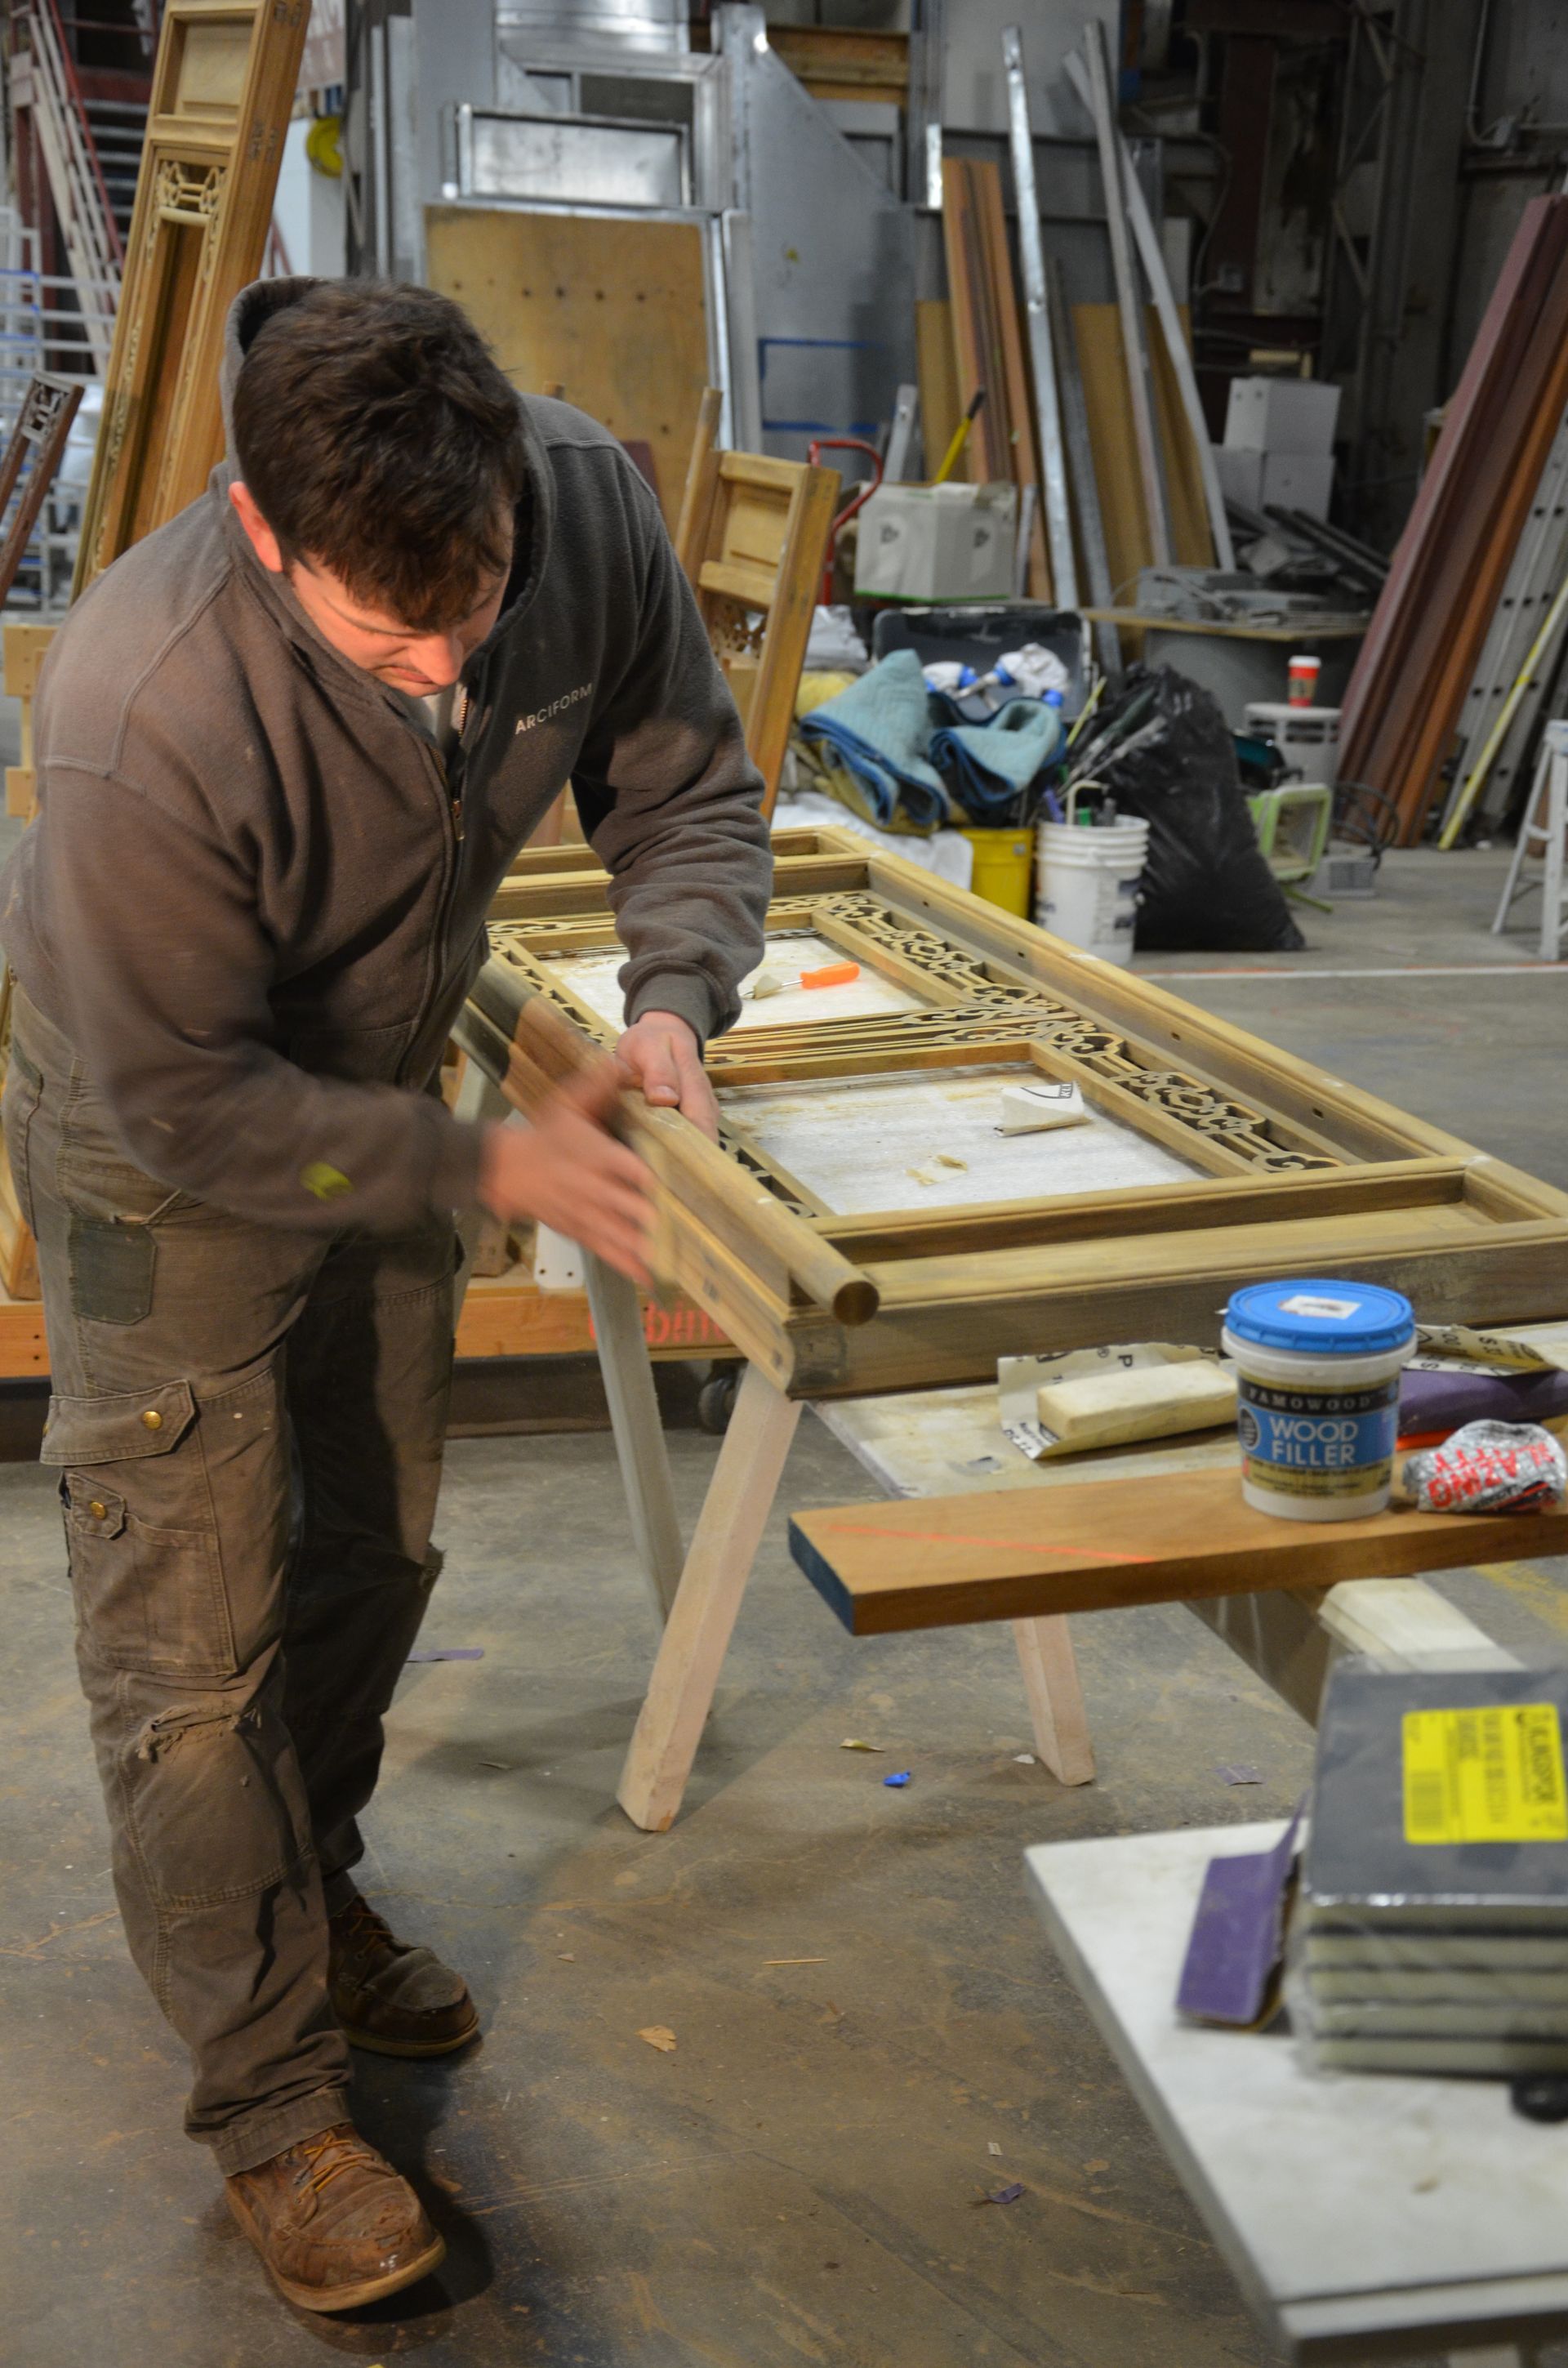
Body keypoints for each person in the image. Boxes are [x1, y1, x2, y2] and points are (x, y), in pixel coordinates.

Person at [0, 276, 769, 2314]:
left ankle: (307, 1885)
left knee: (378, 1537)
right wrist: (492, 1163)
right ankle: (271, 2108)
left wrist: (680, 994)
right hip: (157, 1140)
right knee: (194, 1630)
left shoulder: (579, 503)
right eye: (385, 640)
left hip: (382, 1082)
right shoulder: (143, 701)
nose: (444, 678)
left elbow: (685, 778)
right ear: (266, 535)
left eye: (477, 616)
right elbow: (184, 1100)